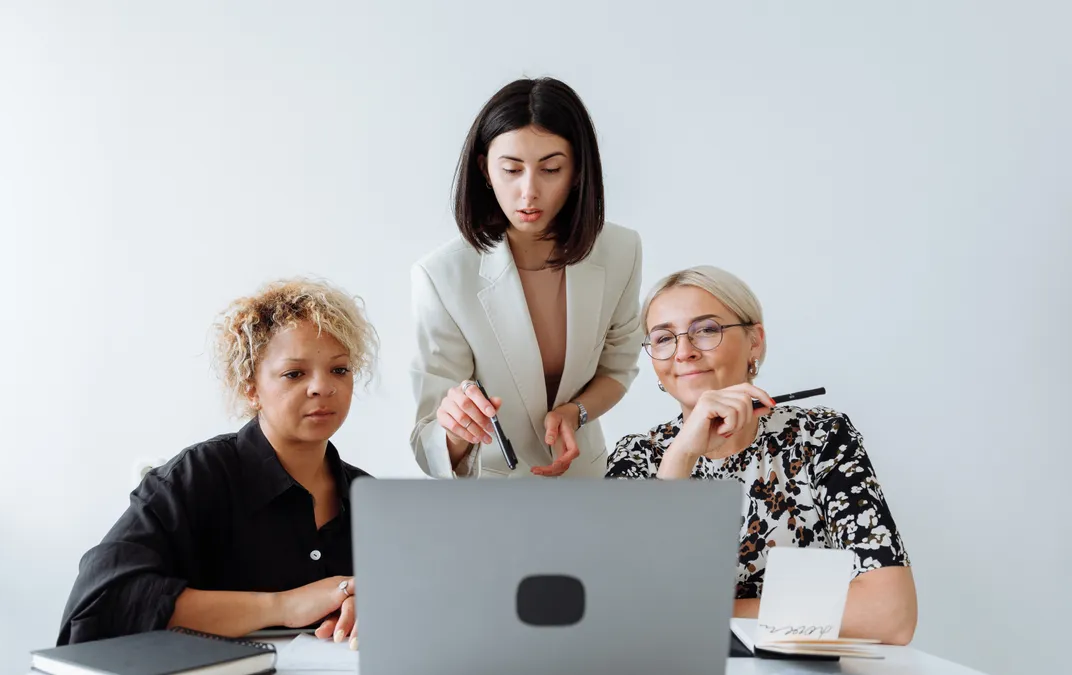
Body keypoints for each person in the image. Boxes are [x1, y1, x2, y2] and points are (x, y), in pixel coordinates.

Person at [56, 278, 378, 648]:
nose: (323, 387)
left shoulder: (370, 497)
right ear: (250, 386)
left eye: (340, 369)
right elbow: (104, 602)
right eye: (294, 373)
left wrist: (370, 611)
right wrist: (283, 606)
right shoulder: (194, 478)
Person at [606, 265, 917, 645]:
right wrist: (681, 457)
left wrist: (699, 612)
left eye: (706, 330)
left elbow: (890, 614)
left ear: (754, 341)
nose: (684, 352)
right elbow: (618, 610)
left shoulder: (819, 438)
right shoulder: (638, 455)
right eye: (664, 338)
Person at [410, 76, 643, 479]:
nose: (528, 192)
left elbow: (617, 369)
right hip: (495, 492)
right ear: (485, 169)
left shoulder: (621, 251)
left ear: (577, 173)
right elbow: (427, 441)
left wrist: (576, 412)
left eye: (551, 169)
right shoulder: (442, 276)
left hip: (584, 479)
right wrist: (458, 425)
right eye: (511, 169)